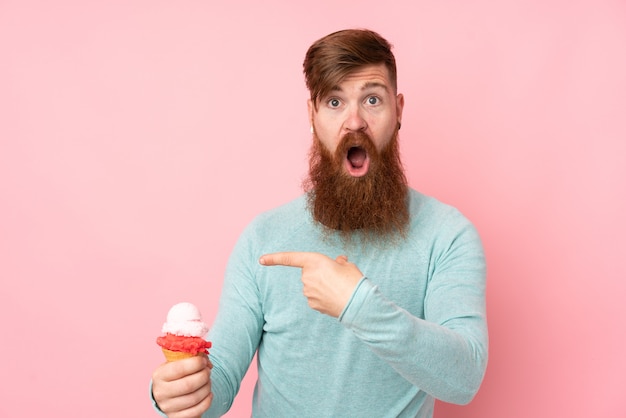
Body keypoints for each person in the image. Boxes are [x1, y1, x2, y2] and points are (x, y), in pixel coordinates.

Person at [150, 28, 488, 418]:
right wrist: (176, 392)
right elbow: (221, 383)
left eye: (372, 100)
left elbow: (463, 379)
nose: (355, 121)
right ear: (312, 115)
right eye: (334, 102)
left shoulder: (447, 235)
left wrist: (358, 306)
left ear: (399, 112)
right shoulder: (263, 238)